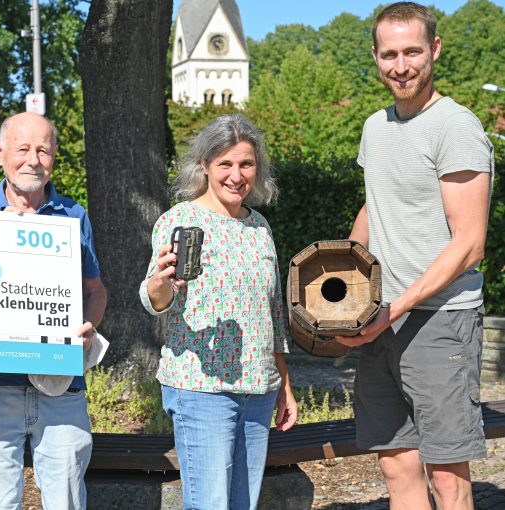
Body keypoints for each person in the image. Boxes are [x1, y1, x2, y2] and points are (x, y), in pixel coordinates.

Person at [336, 3, 494, 509]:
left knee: (448, 477)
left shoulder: (456, 127)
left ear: (435, 50)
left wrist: (395, 308)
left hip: (439, 320)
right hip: (380, 318)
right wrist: (341, 280)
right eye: (389, 54)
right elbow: (374, 205)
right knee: (396, 465)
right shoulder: (374, 127)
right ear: (375, 57)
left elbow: (470, 242)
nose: (400, 66)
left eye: (412, 52)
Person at [139, 113, 298, 510]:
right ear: (205, 166)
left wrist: (285, 386)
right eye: (224, 163)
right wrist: (162, 282)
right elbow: (155, 301)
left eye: (245, 164)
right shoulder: (180, 220)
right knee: (209, 504)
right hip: (201, 388)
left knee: (243, 504)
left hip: (259, 389)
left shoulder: (259, 226)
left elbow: (272, 312)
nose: (235, 174)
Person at [0, 111, 108, 509]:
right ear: (0, 152)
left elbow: (95, 290)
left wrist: (89, 325)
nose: (33, 159)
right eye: (23, 148)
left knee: (67, 501)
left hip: (60, 386)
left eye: (43, 150)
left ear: (54, 156)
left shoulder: (73, 216)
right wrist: (0, 238)